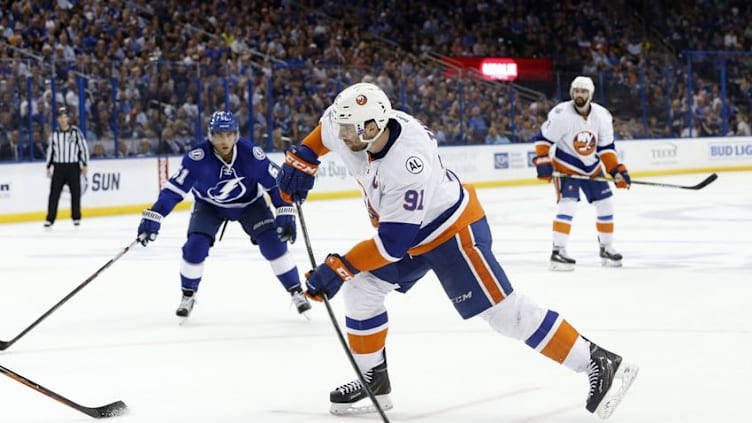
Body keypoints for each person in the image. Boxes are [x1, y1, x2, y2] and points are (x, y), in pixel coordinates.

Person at [276, 83, 638, 418]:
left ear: (372, 128)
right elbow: (322, 135)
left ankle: (596, 360)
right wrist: (303, 159)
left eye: (348, 130)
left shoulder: (408, 161)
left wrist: (339, 267)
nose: (340, 136)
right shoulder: (353, 122)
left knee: (503, 313)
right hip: (410, 236)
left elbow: (391, 246)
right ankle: (375, 380)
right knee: (363, 288)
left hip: (452, 232)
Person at [136, 111, 311, 319]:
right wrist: (155, 215)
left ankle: (296, 291)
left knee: (273, 244)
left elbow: (276, 184)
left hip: (250, 204)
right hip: (210, 206)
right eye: (219, 135)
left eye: (229, 134)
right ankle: (188, 295)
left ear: (236, 135)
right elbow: (173, 191)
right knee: (194, 247)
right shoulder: (197, 159)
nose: (224, 140)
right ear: (210, 135)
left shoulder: (251, 154)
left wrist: (285, 209)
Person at [531, 76, 631, 271]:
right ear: (572, 93)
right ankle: (558, 251)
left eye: (583, 92)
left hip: (592, 167)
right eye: (576, 91)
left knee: (606, 204)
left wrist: (615, 170)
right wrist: (543, 160)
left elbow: (606, 147)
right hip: (567, 167)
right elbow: (543, 140)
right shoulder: (561, 113)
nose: (579, 95)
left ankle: (606, 248)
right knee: (567, 206)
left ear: (590, 94)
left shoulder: (602, 115)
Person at [44, 106, 89, 228]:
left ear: (68, 118)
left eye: (65, 117)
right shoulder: (55, 134)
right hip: (59, 167)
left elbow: (83, 148)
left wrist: (84, 164)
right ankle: (50, 218)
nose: (63, 120)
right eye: (60, 117)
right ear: (58, 119)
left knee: (76, 192)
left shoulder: (75, 132)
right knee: (54, 193)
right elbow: (50, 151)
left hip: (73, 166)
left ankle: (76, 217)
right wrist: (48, 166)